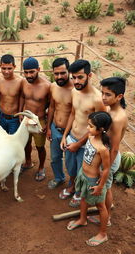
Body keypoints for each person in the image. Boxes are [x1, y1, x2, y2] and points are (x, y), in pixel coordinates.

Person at [59, 59, 105, 207]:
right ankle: (71, 186)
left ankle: (79, 192)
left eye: (80, 77)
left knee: (83, 171)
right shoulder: (74, 91)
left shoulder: (98, 99)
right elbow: (73, 114)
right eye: (73, 77)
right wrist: (65, 136)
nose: (76, 81)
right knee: (71, 167)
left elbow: (98, 129)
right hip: (72, 137)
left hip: (86, 144)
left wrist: (78, 144)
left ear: (89, 75)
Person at [67, 111, 112, 247]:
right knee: (83, 197)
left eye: (91, 126)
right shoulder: (91, 137)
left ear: (101, 129)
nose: (88, 128)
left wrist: (100, 186)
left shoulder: (103, 149)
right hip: (84, 175)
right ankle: (82, 219)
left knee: (101, 207)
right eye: (88, 125)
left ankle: (103, 234)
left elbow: (106, 169)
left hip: (93, 181)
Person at [87, 77, 128, 227]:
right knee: (105, 186)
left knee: (106, 188)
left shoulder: (118, 118)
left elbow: (115, 147)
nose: (103, 97)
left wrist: (106, 168)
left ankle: (106, 217)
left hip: (110, 158)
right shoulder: (111, 110)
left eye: (108, 94)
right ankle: (104, 212)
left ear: (119, 96)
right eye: (102, 93)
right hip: (105, 156)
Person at [19, 57, 51, 181]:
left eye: (32, 71)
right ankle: (28, 162)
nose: (29, 75)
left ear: (38, 69)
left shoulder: (47, 86)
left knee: (40, 146)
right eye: (26, 72)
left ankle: (41, 167)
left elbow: (51, 105)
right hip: (26, 119)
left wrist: (47, 123)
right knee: (26, 143)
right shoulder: (24, 83)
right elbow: (22, 97)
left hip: (40, 121)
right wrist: (21, 112)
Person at [46, 58, 73, 189]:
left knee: (70, 162)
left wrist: (67, 135)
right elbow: (51, 107)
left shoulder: (75, 90)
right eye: (56, 74)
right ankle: (59, 178)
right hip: (55, 129)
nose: (59, 76)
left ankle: (72, 184)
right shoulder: (53, 86)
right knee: (55, 158)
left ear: (69, 71)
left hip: (71, 133)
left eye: (63, 73)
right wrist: (49, 127)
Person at [0, 54, 25, 134]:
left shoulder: (20, 81)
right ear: (0, 66)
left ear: (14, 67)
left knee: (12, 140)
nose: (6, 71)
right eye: (3, 68)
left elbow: (22, 97)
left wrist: (20, 113)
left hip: (14, 118)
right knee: (2, 140)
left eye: (9, 68)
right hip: (1, 116)